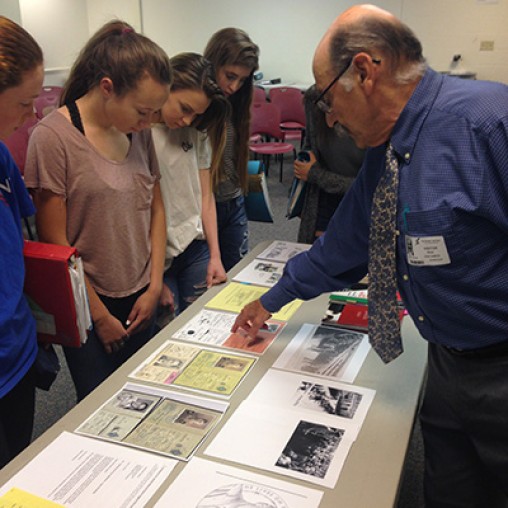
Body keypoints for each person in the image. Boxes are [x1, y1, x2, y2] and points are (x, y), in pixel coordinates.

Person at [233, 5, 508, 507]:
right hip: (446, 361)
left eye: (327, 99)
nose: (329, 118)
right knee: (449, 491)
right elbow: (344, 242)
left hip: (501, 368)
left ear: (364, 70)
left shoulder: (487, 124)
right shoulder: (387, 149)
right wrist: (272, 299)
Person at [24, 21, 172, 401]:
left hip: (142, 293)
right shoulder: (53, 137)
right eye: (143, 111)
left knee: (146, 397)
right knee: (99, 405)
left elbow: (155, 207)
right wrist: (99, 315)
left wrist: (155, 284)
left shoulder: (138, 131)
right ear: (107, 88)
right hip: (89, 305)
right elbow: (55, 242)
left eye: (155, 112)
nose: (149, 122)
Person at [152, 53, 229, 317]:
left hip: (195, 247)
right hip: (158, 257)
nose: (187, 120)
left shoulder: (197, 133)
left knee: (200, 320)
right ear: (166, 88)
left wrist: (216, 256)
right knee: (164, 330)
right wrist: (152, 281)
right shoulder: (140, 133)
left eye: (196, 114)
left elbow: (206, 197)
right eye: (184, 108)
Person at [0, 16, 43, 468]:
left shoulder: (0, 157)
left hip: (18, 351)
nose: (33, 115)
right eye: (25, 102)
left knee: (19, 470)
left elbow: (21, 243)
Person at [204, 28, 259, 271]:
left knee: (236, 273)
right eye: (230, 76)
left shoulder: (236, 103)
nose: (235, 86)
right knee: (208, 277)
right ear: (213, 64)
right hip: (207, 206)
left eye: (243, 80)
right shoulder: (196, 106)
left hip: (233, 202)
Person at [294, 85, 364, 244]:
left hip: (359, 210)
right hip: (321, 204)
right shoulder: (315, 98)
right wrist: (302, 199)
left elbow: (370, 190)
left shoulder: (371, 109)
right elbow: (310, 147)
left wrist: (314, 174)